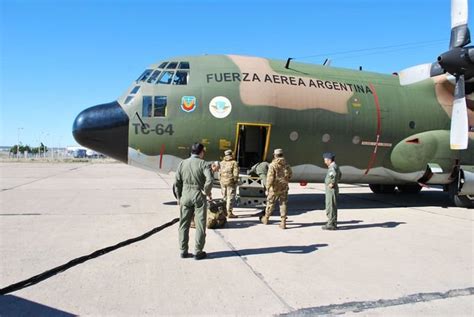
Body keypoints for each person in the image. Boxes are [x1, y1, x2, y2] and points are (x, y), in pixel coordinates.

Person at [174, 143, 213, 260]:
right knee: (200, 225)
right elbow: (209, 180)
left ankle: (183, 250)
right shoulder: (204, 164)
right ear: (201, 152)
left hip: (185, 196)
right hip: (198, 196)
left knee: (183, 224)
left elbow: (177, 183)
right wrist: (206, 191)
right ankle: (198, 251)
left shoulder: (182, 163)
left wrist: (179, 197)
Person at [260, 149, 292, 229]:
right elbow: (290, 175)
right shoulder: (286, 164)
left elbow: (270, 178)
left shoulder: (272, 165)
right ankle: (283, 222)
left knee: (270, 203)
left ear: (274, 155)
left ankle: (266, 218)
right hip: (284, 187)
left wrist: (267, 187)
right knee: (283, 203)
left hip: (274, 188)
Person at [322, 152, 342, 230]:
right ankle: (332, 222)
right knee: (332, 206)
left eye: (325, 160)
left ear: (329, 160)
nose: (324, 162)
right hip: (332, 189)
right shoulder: (335, 166)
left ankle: (331, 223)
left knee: (330, 206)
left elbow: (333, 175)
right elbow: (340, 175)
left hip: (331, 190)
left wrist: (332, 183)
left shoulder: (332, 167)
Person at [220, 149, 239, 219]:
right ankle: (229, 213)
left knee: (224, 197)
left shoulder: (222, 162)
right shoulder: (234, 163)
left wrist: (220, 180)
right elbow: (236, 173)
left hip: (223, 182)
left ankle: (223, 212)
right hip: (230, 182)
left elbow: (219, 173)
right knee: (230, 197)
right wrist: (236, 181)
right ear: (231, 154)